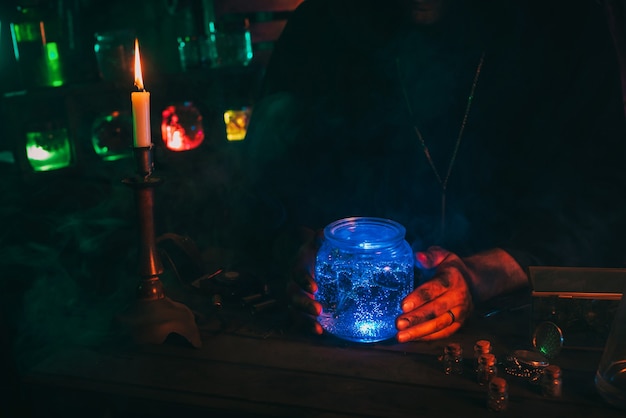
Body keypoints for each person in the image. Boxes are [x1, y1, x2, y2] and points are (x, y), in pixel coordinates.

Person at [238, 0, 626, 342]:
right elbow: (270, 182)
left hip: (520, 328)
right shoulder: (325, 22)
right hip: (336, 343)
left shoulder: (565, 22)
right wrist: (301, 250)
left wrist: (480, 275)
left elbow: (600, 198)